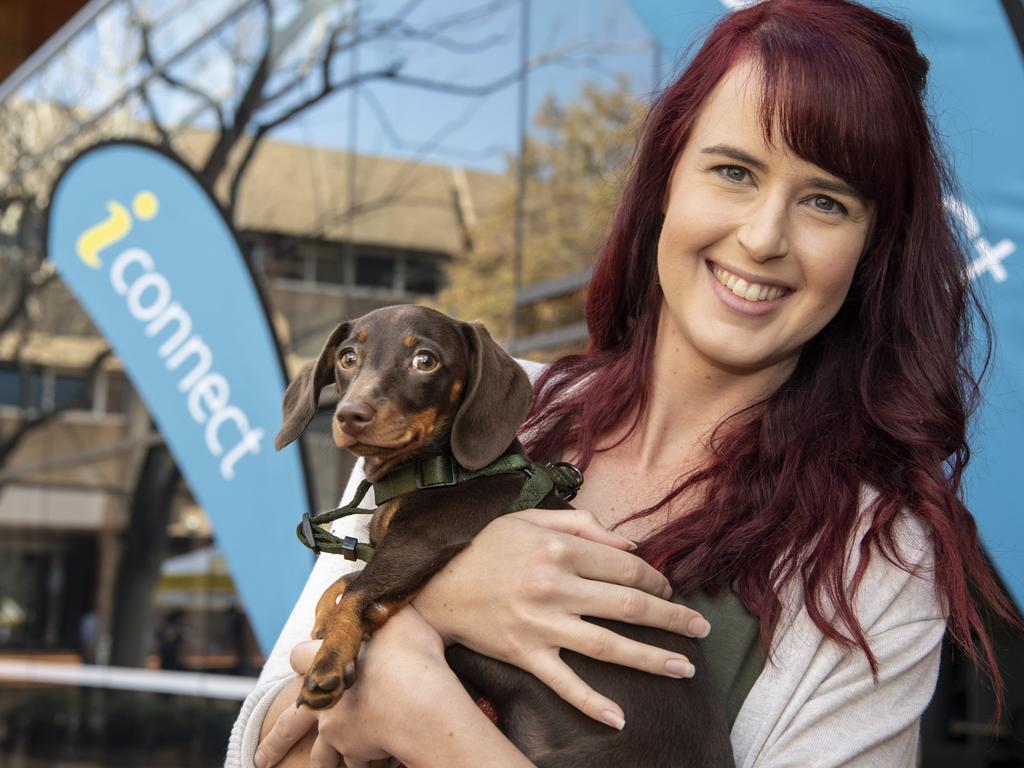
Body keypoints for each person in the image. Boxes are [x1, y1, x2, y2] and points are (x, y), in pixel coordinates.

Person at [227, 1, 1020, 766]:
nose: (764, 236)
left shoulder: (875, 565)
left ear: (870, 249)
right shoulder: (474, 414)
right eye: (735, 171)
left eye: (825, 201)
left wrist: (427, 715)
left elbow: (372, 703)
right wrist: (440, 597)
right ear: (666, 182)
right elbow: (260, 748)